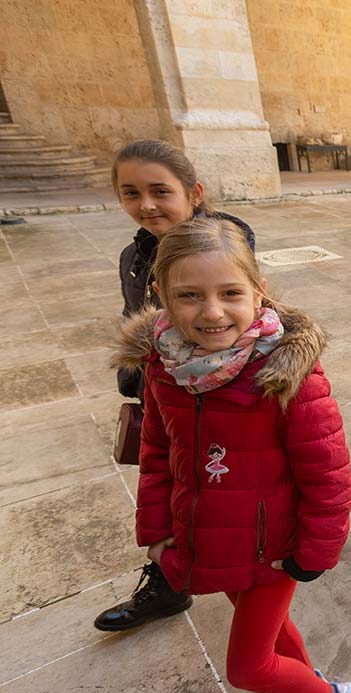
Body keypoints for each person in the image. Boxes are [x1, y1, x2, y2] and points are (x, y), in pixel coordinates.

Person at [112, 218, 351, 693]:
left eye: (230, 292)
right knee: (269, 635)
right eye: (189, 296)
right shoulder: (163, 367)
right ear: (160, 294)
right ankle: (305, 681)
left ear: (258, 292)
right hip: (210, 538)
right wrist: (158, 531)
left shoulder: (287, 375)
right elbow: (158, 455)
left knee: (247, 667)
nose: (212, 312)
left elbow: (328, 474)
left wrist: (314, 553)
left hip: (275, 548)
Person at [94, 139, 256, 634]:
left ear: (193, 192)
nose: (145, 204)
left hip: (214, 398)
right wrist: (134, 373)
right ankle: (169, 582)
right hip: (161, 391)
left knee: (219, 489)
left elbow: (238, 317)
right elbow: (137, 319)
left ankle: (248, 578)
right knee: (171, 487)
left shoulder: (223, 241)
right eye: (131, 193)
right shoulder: (134, 255)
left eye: (159, 191)